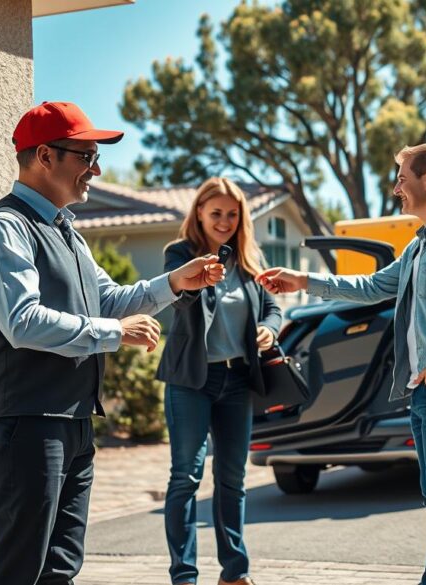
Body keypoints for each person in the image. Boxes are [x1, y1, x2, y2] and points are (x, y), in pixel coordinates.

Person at [0, 101, 225, 585]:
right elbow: (22, 322)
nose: (95, 170)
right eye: (85, 156)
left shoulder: (68, 233)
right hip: (25, 421)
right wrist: (113, 335)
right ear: (44, 155)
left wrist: (175, 282)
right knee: (15, 568)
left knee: (60, 566)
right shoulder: (4, 229)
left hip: (72, 421)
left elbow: (109, 298)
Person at [258, 143, 426, 585]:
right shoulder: (420, 247)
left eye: (402, 178)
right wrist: (304, 281)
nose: (397, 188)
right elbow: (373, 286)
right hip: (424, 389)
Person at [155, 177, 282, 585]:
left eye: (232, 214)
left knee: (232, 480)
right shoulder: (180, 254)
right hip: (192, 380)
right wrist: (198, 278)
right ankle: (184, 576)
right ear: (199, 214)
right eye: (216, 213)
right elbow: (180, 295)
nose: (224, 221)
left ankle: (234, 573)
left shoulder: (246, 260)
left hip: (238, 380)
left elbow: (273, 305)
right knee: (186, 477)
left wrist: (269, 327)